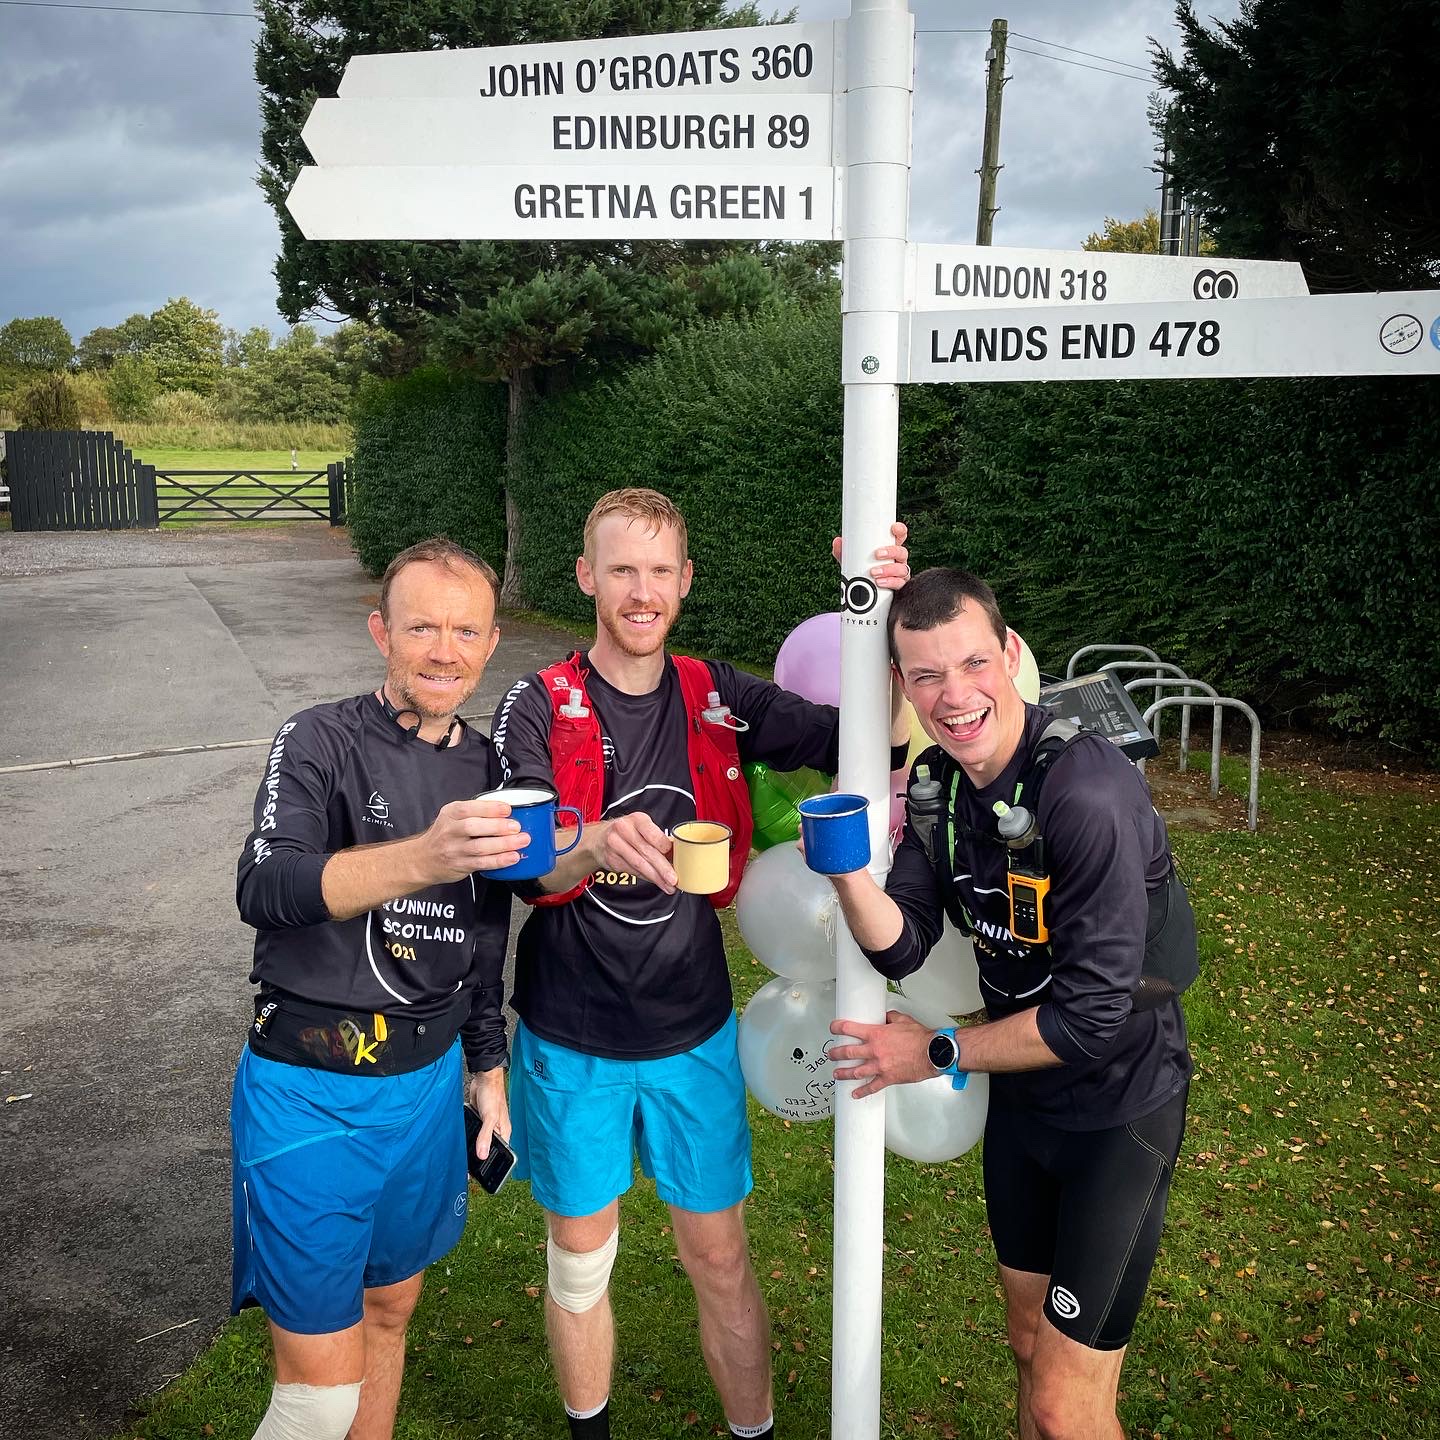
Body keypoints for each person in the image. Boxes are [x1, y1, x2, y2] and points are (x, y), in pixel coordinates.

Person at [490, 488, 910, 1440]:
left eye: (660, 572)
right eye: (622, 570)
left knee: (719, 1259)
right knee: (579, 1261)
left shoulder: (714, 692)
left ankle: (751, 1434)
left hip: (692, 1032)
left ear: (685, 582)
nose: (642, 592)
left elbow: (872, 741)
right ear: (588, 578)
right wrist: (592, 843)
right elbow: (521, 868)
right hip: (571, 1036)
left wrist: (877, 608)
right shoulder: (538, 703)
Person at [826, 567, 1195, 1440]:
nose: (954, 697)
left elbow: (1091, 1018)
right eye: (925, 676)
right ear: (905, 689)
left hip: (1119, 1111)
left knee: (1069, 1408)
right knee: (1030, 1348)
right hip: (1026, 1113)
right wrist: (846, 873)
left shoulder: (1087, 794)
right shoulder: (937, 785)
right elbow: (908, 939)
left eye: (972, 664)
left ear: (1012, 656)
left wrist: (938, 1052)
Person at [230, 538, 526, 1440]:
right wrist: (422, 857)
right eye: (422, 627)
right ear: (380, 632)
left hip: (427, 1090)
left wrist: (487, 1068)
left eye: (465, 630)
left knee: (392, 1310)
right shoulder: (317, 736)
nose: (444, 650)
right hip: (311, 1090)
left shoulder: (488, 770)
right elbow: (265, 887)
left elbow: (482, 937)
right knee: (316, 1396)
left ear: (490, 641)